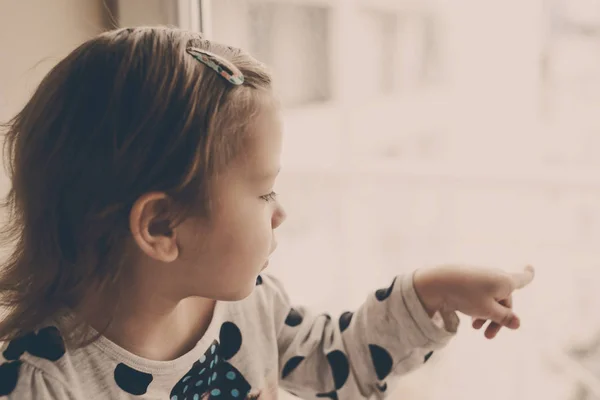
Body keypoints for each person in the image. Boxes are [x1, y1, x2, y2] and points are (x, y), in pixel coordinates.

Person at [0, 27, 534, 399]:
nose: (280, 213)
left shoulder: (250, 306)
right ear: (161, 227)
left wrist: (431, 291)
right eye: (263, 194)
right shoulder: (42, 384)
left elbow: (339, 360)